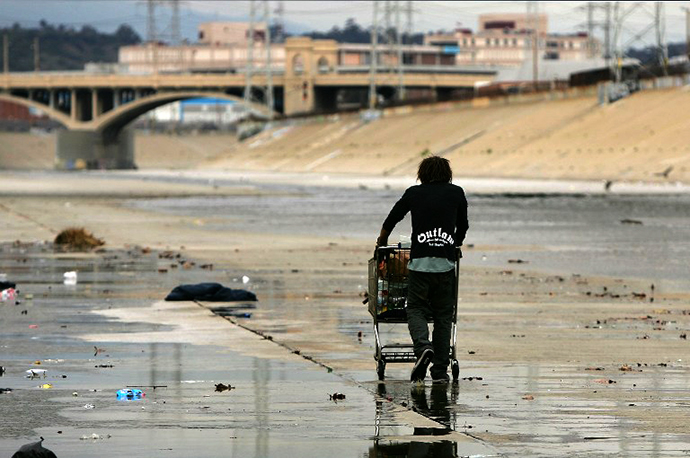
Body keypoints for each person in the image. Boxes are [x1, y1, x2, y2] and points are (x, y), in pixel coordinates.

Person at [376, 156, 468, 383]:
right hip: (445, 265)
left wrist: (382, 240)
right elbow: (463, 225)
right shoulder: (456, 193)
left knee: (415, 309)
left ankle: (423, 347)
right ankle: (439, 372)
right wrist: (455, 243)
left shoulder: (414, 193)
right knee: (443, 317)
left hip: (419, 265)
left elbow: (393, 217)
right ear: (447, 173)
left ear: (422, 174)